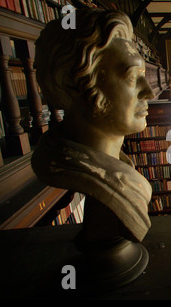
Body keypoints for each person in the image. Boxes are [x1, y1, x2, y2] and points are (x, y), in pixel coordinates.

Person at [33, 8, 155, 244]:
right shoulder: (67, 166)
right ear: (70, 84)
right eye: (131, 76)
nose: (149, 92)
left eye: (143, 75)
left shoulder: (119, 168)